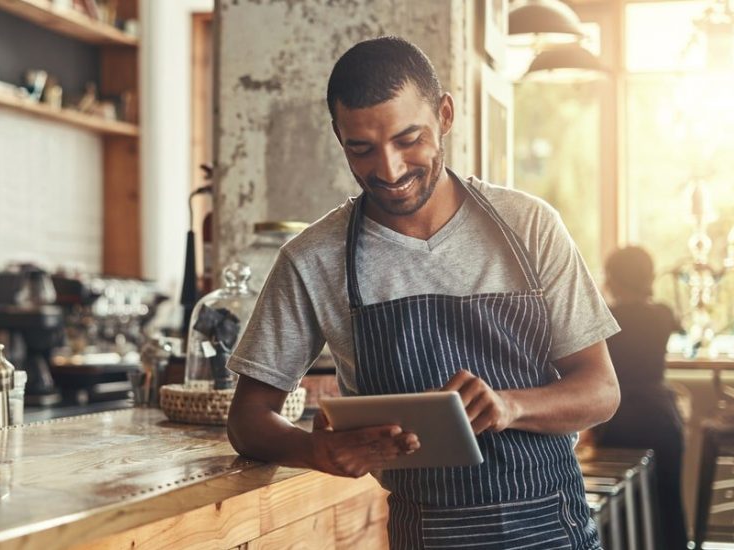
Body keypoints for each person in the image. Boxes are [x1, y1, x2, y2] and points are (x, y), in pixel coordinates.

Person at [225, 36, 621, 549]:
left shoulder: (530, 226)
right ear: (339, 136)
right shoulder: (313, 259)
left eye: (409, 138)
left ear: (445, 114)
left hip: (553, 528)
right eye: (361, 148)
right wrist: (313, 451)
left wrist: (509, 406)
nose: (389, 170)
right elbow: (248, 420)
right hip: (426, 535)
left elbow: (602, 390)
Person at [594, 245, 688, 549]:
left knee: (626, 505)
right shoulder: (662, 314)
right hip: (661, 417)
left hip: (619, 418)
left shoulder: (605, 317)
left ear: (613, 279)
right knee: (669, 498)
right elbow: (683, 328)